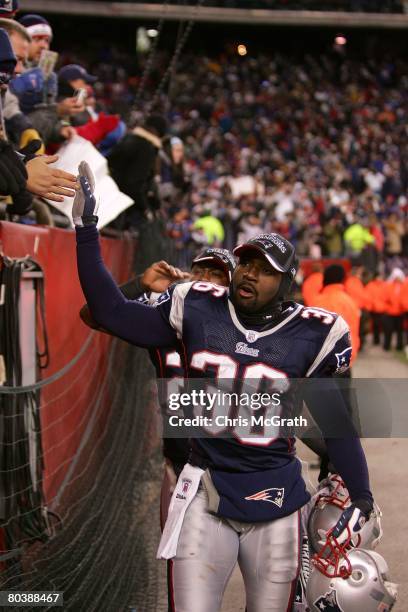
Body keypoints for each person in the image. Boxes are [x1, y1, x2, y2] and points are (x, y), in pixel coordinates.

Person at [75, 163, 374, 612]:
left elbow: (336, 424)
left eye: (265, 269)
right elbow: (109, 312)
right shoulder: (197, 307)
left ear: (286, 282)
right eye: (247, 263)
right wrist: (86, 231)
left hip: (277, 499)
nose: (249, 274)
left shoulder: (314, 332)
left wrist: (363, 497)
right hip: (204, 489)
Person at [80, 246, 235, 612]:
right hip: (182, 467)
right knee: (185, 580)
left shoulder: (242, 323)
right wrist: (140, 284)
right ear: (190, 275)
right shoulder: (167, 316)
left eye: (218, 276)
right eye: (202, 272)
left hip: (236, 464)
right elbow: (93, 315)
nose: (208, 281)